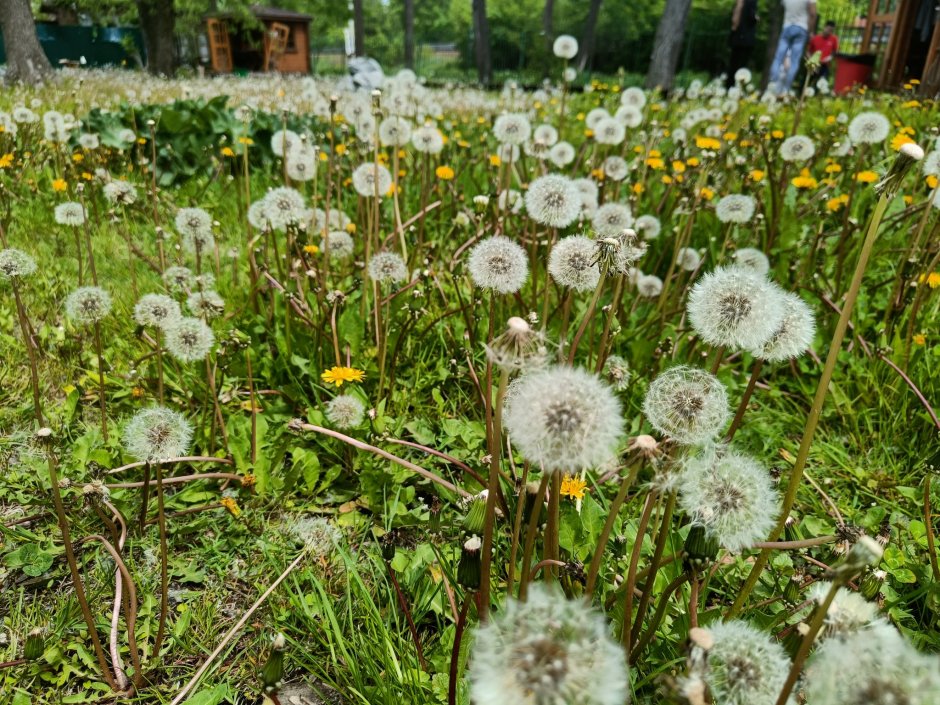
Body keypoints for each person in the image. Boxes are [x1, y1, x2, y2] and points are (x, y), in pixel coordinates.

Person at [769, 0, 817, 94]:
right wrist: (810, 32)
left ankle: (772, 85)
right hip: (801, 28)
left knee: (778, 58)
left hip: (787, 27)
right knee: (794, 61)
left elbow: (783, 8)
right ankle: (786, 89)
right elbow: (813, 14)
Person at [727, 0, 759, 88]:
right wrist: (756, 18)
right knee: (742, 66)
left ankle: (729, 86)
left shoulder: (739, 2)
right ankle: (738, 87)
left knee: (733, 64)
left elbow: (733, 18)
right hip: (746, 38)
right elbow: (751, 16)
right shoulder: (752, 1)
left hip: (736, 37)